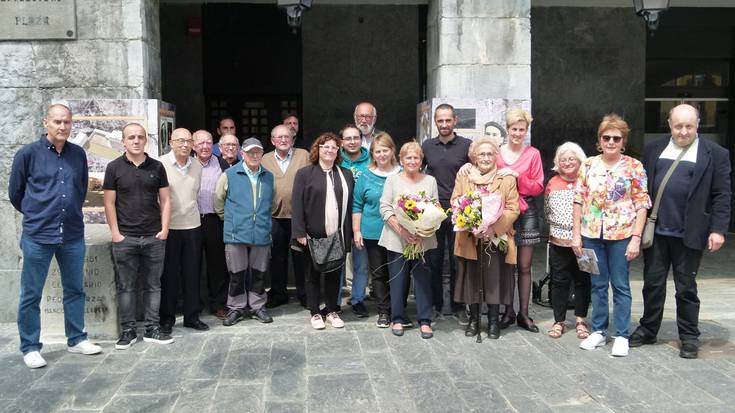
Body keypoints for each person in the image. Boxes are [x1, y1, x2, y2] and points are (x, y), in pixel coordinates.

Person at [630, 104, 731, 359]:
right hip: (657, 232)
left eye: (689, 126)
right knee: (652, 284)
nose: (683, 131)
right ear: (669, 124)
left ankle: (688, 336)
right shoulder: (654, 149)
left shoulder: (715, 153)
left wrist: (718, 229)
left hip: (690, 233)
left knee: (686, 287)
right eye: (678, 126)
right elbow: (641, 190)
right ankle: (649, 329)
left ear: (698, 124)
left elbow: (722, 194)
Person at [9, 103, 102, 368]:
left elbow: (81, 187)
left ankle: (76, 338)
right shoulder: (28, 154)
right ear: (45, 123)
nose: (62, 127)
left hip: (72, 232)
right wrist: (38, 212)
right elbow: (16, 193)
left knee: (75, 289)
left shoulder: (78, 154)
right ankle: (30, 346)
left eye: (67, 122)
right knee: (31, 294)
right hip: (38, 234)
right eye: (57, 122)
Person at [572, 114, 651, 357]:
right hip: (591, 233)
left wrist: (636, 237)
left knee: (620, 285)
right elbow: (578, 200)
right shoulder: (588, 165)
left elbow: (642, 204)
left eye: (616, 138)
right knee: (596, 284)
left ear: (623, 141)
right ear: (599, 140)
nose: (611, 141)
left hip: (622, 235)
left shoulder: (633, 167)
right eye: (606, 137)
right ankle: (598, 331)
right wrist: (576, 235)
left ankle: (622, 334)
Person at [103, 122, 173, 349]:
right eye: (131, 137)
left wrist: (164, 230)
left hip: (153, 236)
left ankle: (152, 328)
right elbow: (109, 203)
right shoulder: (114, 168)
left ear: (146, 140)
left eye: (140, 137)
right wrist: (115, 234)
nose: (136, 140)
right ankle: (128, 330)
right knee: (126, 286)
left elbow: (165, 200)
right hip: (126, 238)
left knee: (153, 285)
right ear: (123, 141)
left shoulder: (157, 167)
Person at [452, 137, 520, 340]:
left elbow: (512, 208)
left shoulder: (506, 178)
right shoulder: (464, 176)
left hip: (496, 238)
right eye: (481, 154)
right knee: (472, 280)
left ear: (496, 157)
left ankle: (492, 321)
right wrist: (472, 224)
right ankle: (474, 320)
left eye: (490, 154)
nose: (486, 158)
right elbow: (456, 201)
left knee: (494, 280)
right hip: (470, 237)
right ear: (474, 157)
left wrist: (493, 229)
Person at [292, 133, 354, 330]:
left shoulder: (345, 174)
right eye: (325, 147)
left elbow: (351, 205)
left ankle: (331, 310)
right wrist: (300, 232)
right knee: (312, 274)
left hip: (338, 234)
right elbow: (297, 205)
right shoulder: (304, 174)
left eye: (334, 147)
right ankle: (315, 312)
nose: (330, 150)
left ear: (338, 152)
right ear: (317, 149)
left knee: (334, 274)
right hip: (312, 234)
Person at [379, 142, 438, 339]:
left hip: (423, 240)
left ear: (421, 161)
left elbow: (436, 207)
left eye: (416, 158)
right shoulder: (392, 181)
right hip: (397, 239)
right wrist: (402, 230)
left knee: (422, 280)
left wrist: (423, 229)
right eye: (408, 158)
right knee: (398, 280)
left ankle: (425, 320)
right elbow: (385, 208)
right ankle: (397, 318)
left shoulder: (430, 181)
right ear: (402, 160)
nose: (412, 161)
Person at [214, 138, 275, 326]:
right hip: (236, 233)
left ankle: (257, 306)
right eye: (250, 152)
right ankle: (236, 307)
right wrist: (232, 220)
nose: (254, 155)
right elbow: (218, 200)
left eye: (258, 152)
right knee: (236, 273)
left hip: (261, 232)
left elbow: (271, 201)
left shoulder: (268, 176)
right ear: (243, 154)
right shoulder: (229, 174)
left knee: (259, 273)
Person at [421, 103, 472, 323]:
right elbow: (416, 170)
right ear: (435, 122)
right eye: (440, 121)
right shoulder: (427, 146)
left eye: (447, 120)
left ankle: (459, 305)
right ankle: (436, 304)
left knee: (457, 258)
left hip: (459, 210)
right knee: (433, 258)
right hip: (434, 210)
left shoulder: (466, 146)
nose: (444, 124)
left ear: (455, 121)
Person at [495, 108, 544, 333]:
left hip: (527, 211)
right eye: (514, 129)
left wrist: (519, 177)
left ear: (526, 131)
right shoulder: (496, 153)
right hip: (503, 211)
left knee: (524, 266)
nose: (517, 133)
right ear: (507, 129)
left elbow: (538, 186)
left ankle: (524, 313)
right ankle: (507, 311)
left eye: (521, 129)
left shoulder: (533, 154)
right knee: (506, 265)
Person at [159, 128, 208, 333]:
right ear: (171, 142)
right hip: (169, 227)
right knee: (169, 275)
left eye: (189, 141)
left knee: (192, 273)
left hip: (193, 226)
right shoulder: (160, 164)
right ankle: (167, 318)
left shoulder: (196, 165)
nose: (185, 145)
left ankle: (192, 316)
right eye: (181, 141)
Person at [352, 132, 402, 328]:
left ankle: (399, 308)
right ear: (372, 153)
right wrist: (357, 230)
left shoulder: (402, 172)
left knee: (398, 272)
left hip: (399, 231)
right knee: (379, 273)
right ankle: (384, 311)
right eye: (377, 151)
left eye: (385, 150)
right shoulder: (365, 174)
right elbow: (357, 204)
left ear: (392, 151)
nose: (382, 155)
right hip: (372, 231)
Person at [261, 125, 311, 308]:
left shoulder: (303, 155)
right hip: (274, 216)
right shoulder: (264, 159)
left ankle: (305, 293)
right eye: (279, 137)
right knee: (277, 257)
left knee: (301, 257)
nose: (283, 140)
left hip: (299, 216)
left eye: (287, 137)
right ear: (272, 140)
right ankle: (278, 293)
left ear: (293, 139)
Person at [544, 142, 591, 339]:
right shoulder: (552, 182)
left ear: (580, 160)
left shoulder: (588, 181)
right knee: (559, 281)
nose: (567, 162)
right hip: (558, 242)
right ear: (558, 162)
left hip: (585, 241)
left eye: (572, 159)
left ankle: (581, 320)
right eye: (563, 160)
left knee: (583, 280)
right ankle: (559, 321)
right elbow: (546, 211)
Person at [192, 129, 231, 320]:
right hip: (191, 221)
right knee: (192, 264)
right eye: (200, 143)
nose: (205, 146)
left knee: (218, 265)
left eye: (208, 142)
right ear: (193, 145)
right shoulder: (187, 164)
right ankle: (194, 304)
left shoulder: (222, 164)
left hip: (215, 220)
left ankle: (219, 304)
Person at [339, 124, 372, 318]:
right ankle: (335, 301)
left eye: (356, 138)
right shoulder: (335, 159)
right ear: (341, 141)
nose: (352, 142)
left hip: (363, 219)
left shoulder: (371, 160)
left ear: (361, 139)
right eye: (348, 138)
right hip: (339, 219)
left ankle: (358, 299)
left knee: (361, 263)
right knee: (337, 262)